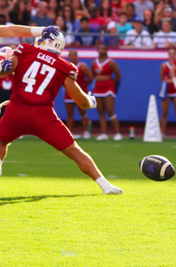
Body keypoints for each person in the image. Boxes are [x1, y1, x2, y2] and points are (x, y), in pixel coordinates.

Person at [0, 30, 122, 195]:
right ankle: (105, 185)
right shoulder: (63, 66)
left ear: (45, 42)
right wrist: (91, 102)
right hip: (43, 116)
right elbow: (82, 102)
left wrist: (5, 61)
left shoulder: (25, 51)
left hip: (17, 111)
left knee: (1, 141)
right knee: (74, 150)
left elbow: (5, 70)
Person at [92, 44, 122, 141]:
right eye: (100, 48)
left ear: (106, 50)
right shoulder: (94, 63)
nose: (101, 50)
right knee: (100, 111)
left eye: (103, 49)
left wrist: (110, 82)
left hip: (108, 87)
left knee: (110, 110)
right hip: (98, 88)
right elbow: (93, 75)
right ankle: (104, 133)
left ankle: (118, 133)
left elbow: (118, 76)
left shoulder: (111, 63)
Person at [65, 50, 94, 139]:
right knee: (70, 114)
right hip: (68, 93)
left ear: (77, 57)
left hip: (80, 92)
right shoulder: (65, 66)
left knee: (82, 112)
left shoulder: (83, 66)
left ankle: (86, 132)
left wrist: (82, 87)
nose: (72, 57)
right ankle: (69, 133)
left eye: (74, 55)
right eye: (70, 55)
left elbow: (90, 78)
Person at [159, 47, 176, 141]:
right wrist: (169, 81)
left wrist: (175, 83)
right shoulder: (164, 65)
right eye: (170, 53)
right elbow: (162, 78)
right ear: (168, 55)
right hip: (166, 91)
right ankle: (162, 133)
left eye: (173, 53)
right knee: (164, 113)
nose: (172, 55)